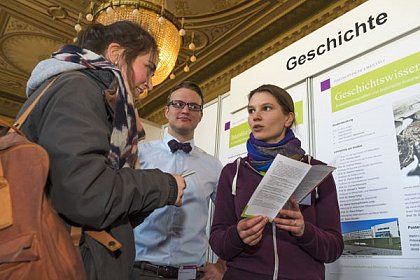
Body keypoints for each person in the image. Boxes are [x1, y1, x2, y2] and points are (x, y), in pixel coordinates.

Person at [16, 21, 186, 280]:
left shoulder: (74, 88)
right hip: (70, 263)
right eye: (148, 69)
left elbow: (103, 208)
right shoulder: (79, 87)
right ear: (116, 53)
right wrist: (164, 185)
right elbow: (88, 196)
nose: (150, 84)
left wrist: (151, 197)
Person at [209, 84, 344, 280]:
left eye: (266, 108)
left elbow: (334, 248)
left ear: (288, 118)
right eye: (251, 110)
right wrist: (237, 235)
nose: (255, 116)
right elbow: (217, 241)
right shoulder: (233, 172)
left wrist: (304, 231)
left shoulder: (315, 171)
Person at [131, 81, 226, 280]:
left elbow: (229, 218)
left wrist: (222, 264)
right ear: (166, 111)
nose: (185, 110)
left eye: (193, 106)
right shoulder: (139, 154)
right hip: (140, 271)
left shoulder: (213, 166)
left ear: (201, 115)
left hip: (192, 275)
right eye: (178, 104)